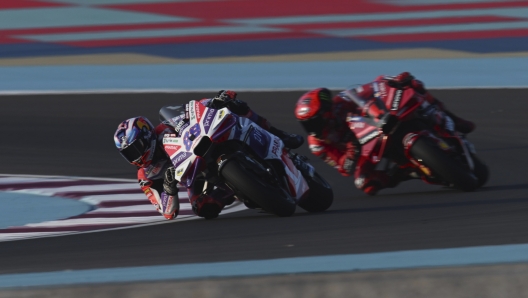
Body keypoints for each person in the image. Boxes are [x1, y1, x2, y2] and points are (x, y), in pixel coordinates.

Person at [114, 90, 304, 219]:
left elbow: (192, 109)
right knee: (203, 209)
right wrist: (169, 186)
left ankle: (280, 135)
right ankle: (242, 191)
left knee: (235, 106)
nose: (135, 156)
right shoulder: (145, 175)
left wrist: (215, 101)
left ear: (147, 135)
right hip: (195, 175)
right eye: (128, 153)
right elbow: (167, 212)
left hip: (202, 145)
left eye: (135, 148)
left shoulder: (165, 127)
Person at [294, 72, 475, 195]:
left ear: (326, 112)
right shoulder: (318, 144)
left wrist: (393, 81)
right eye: (307, 124)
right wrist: (352, 151)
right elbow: (344, 168)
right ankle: (410, 172)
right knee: (365, 184)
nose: (312, 127)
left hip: (380, 123)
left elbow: (373, 87)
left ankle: (453, 119)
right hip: (366, 151)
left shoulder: (341, 101)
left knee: (413, 84)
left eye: (314, 121)